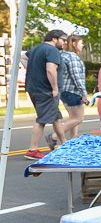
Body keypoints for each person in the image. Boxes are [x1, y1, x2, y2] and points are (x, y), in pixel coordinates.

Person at [23, 30, 67, 160]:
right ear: (54, 39)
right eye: (63, 40)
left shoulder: (37, 48)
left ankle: (64, 144)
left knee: (57, 118)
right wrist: (54, 88)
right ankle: (32, 150)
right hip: (46, 90)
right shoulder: (52, 50)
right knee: (42, 119)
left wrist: (34, 70)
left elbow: (23, 57)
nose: (65, 43)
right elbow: (50, 70)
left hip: (34, 88)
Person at [48, 34, 89, 147]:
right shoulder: (72, 57)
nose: (83, 45)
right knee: (79, 118)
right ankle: (53, 136)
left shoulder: (63, 55)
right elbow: (76, 76)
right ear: (74, 44)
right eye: (81, 43)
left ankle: (72, 141)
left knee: (73, 118)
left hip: (64, 91)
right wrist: (83, 93)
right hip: (73, 91)